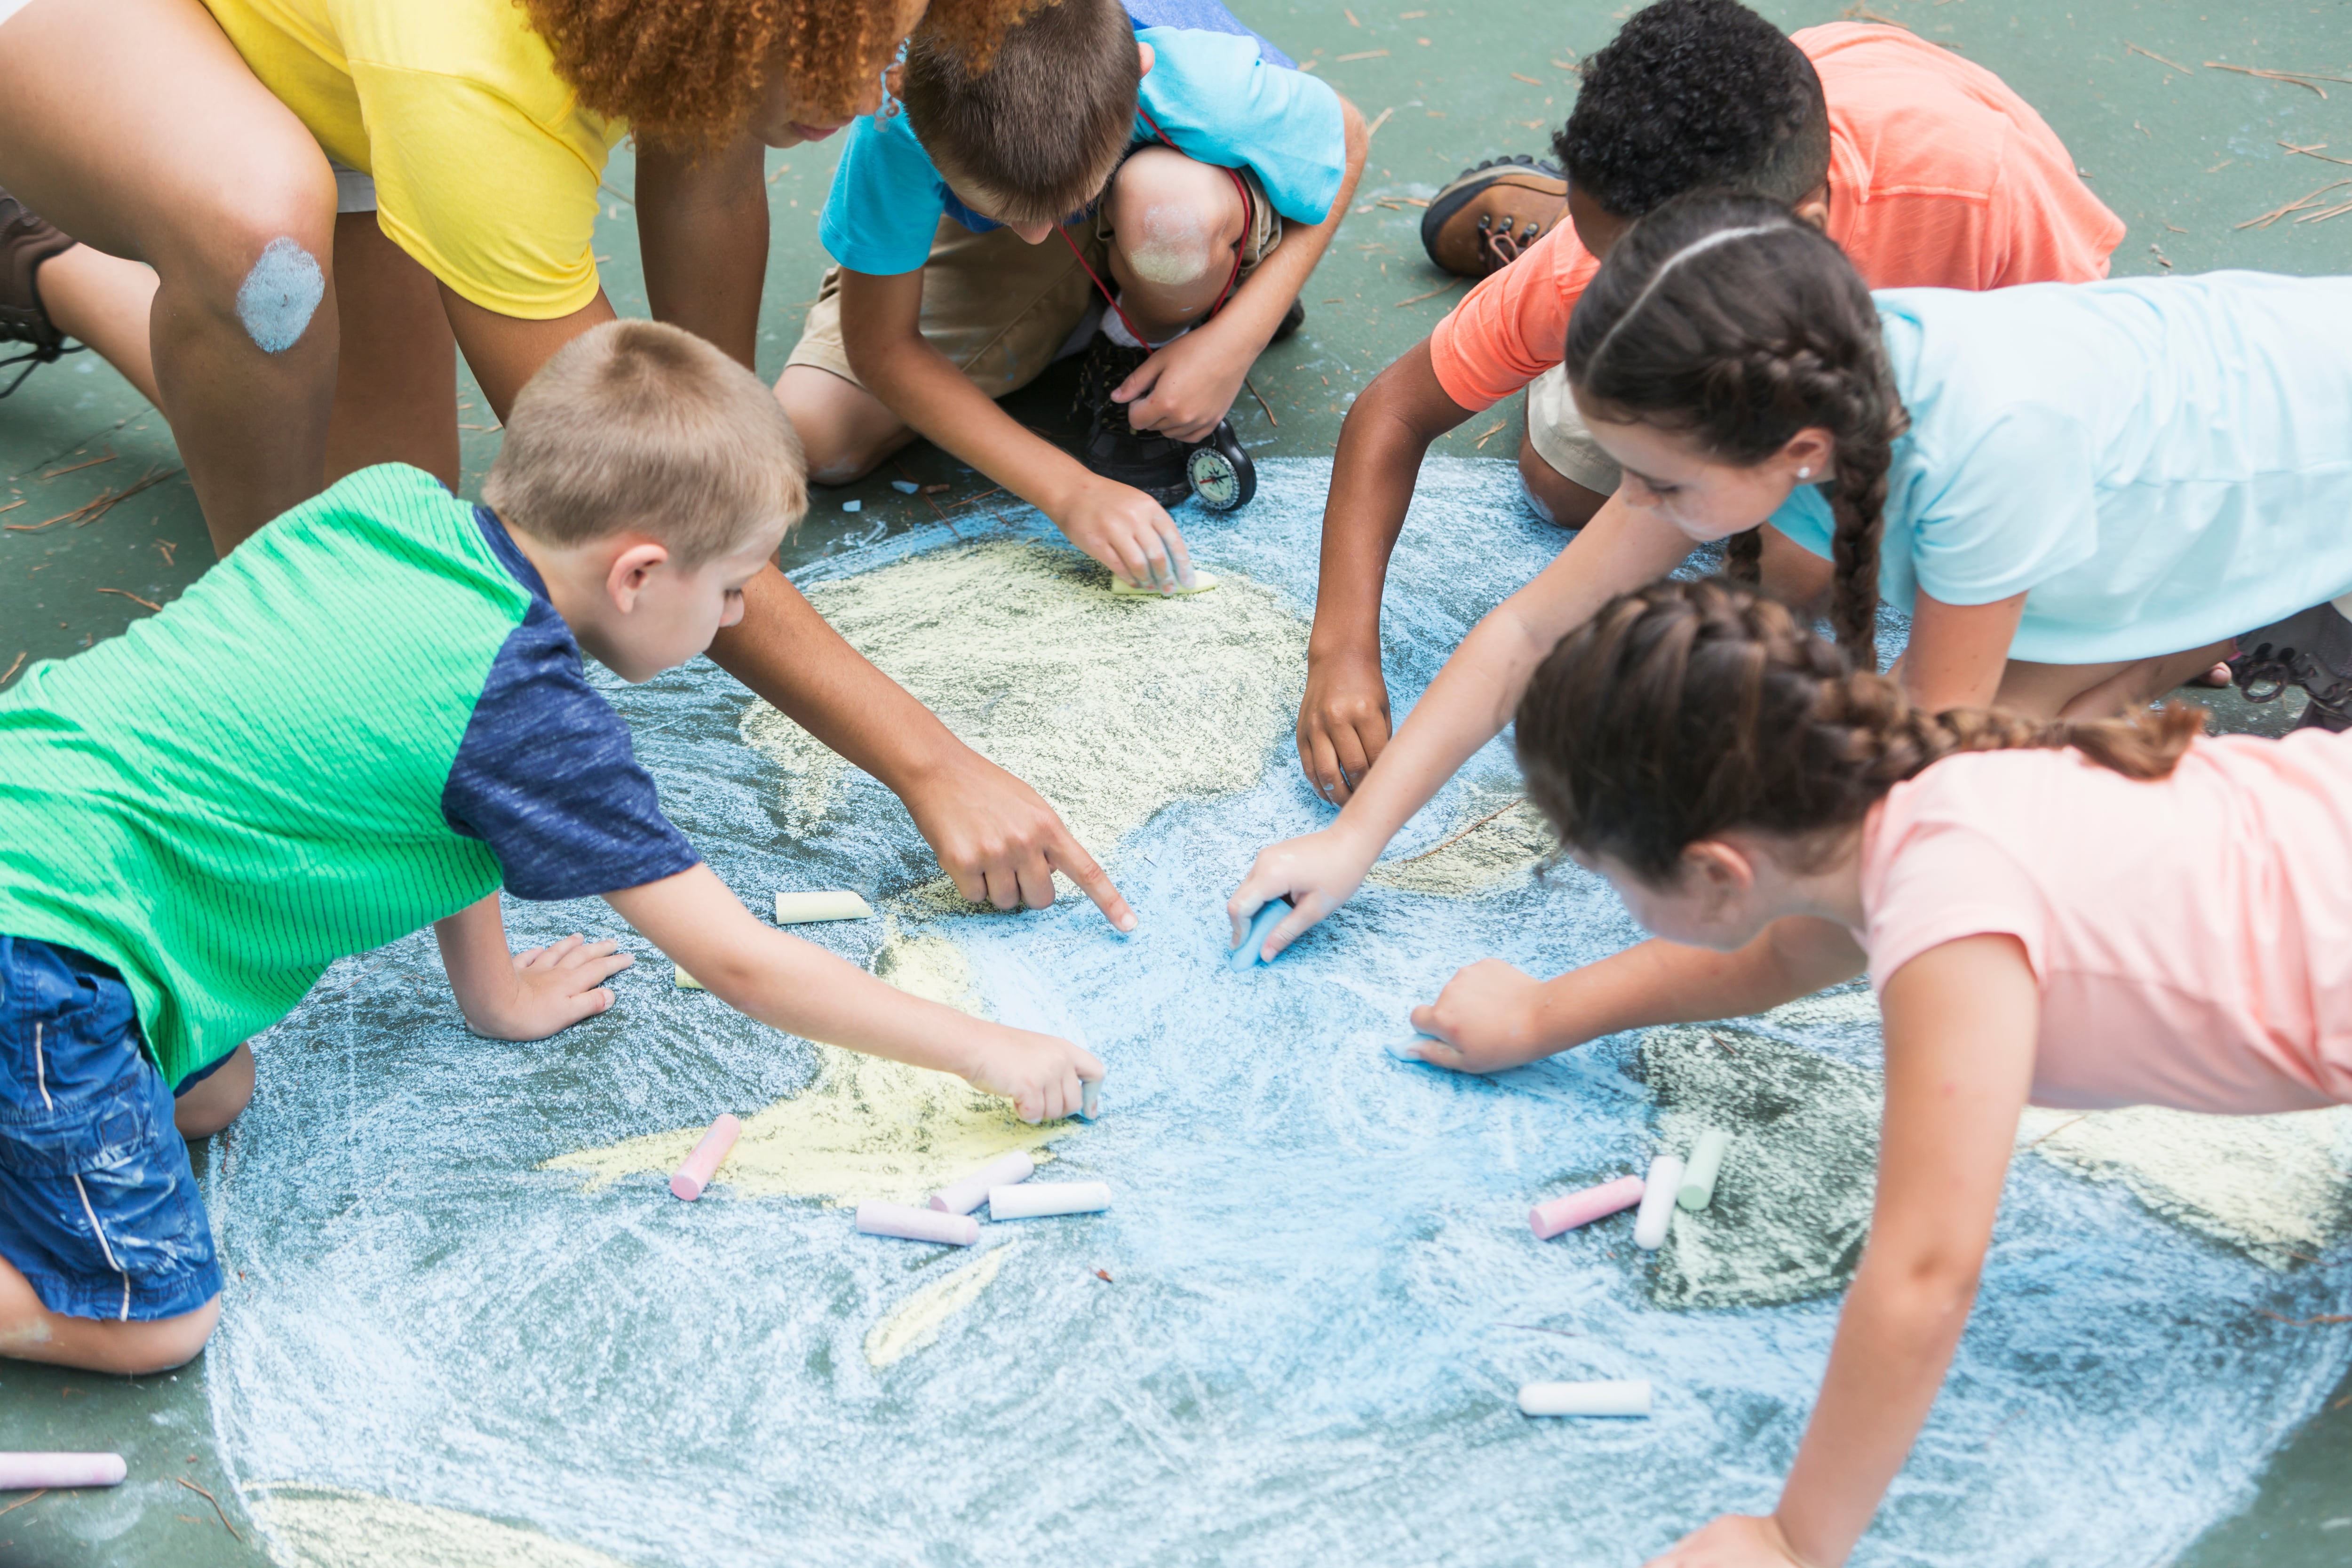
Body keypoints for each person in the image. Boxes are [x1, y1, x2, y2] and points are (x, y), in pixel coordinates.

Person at [0, 320, 1102, 1376]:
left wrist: (496, 994)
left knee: (210, 1094)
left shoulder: (388, 506)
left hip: (39, 825)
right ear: (636, 576)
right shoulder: (530, 716)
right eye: (727, 589)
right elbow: (738, 959)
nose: (729, 622)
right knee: (154, 1325)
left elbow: (428, 784)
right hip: (46, 954)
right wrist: (981, 1048)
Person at [0, 0, 1146, 935]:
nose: (862, 94)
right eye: (837, 57)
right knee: (289, 350)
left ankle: (32, 273)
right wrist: (932, 764)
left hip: (345, 64)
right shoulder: (471, 87)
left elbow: (704, 179)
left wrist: (748, 503)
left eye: (879, 47)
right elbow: (644, 479)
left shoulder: (731, 26)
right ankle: (264, 647)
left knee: (384, 474)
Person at [1397, 576, 2352, 1568]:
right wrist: (1542, 1013)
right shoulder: (1894, 783)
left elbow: (1925, 1273)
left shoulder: (1947, 922)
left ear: (1720, 871)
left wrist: (1794, 1538)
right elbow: (1771, 957)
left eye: (1613, 878)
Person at [1229, 195, 2352, 963]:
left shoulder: (1983, 450)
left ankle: (2276, 609)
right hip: (2198, 458)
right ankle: (2229, 617)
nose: (1635, 504)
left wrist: (1588, 971)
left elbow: (1916, 782)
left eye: (1659, 484)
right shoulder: (1791, 397)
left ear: (1794, 457)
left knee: (1962, 804)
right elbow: (1526, 634)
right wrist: (1354, 840)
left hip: (2300, 461)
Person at [1299, 0, 2123, 804]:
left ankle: (1559, 229)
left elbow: (2079, 406)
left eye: (1620, 263)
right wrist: (1339, 652)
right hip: (1729, 230)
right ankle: (1544, 217)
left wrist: (2129, 590)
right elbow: (1395, 411)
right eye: (1601, 257)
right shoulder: (1616, 270)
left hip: (1915, 248)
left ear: (1799, 225)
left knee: (1803, 563)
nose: (1616, 289)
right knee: (1561, 482)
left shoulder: (1978, 195)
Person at [779, 0, 1365, 591]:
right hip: (1050, 186)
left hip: (1174, 197)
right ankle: (1093, 312)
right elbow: (880, 345)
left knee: (1167, 211)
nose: (1036, 235)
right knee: (818, 434)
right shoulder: (899, 105)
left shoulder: (1199, 83)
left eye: (1050, 212)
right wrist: (1068, 490)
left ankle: (1153, 323)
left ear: (1138, 70)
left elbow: (1347, 135)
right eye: (1002, 208)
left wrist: (1237, 339)